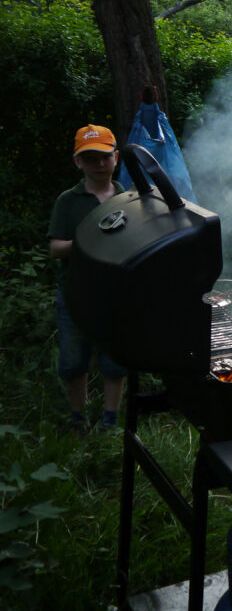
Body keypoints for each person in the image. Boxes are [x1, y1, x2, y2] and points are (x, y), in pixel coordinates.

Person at [48, 125, 127, 433]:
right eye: (90, 158)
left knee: (114, 361)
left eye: (104, 157)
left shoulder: (129, 199)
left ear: (116, 158)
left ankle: (110, 419)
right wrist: (91, 240)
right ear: (77, 162)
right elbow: (56, 249)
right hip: (75, 294)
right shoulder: (68, 201)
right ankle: (78, 419)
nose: (98, 164)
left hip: (116, 295)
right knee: (71, 361)